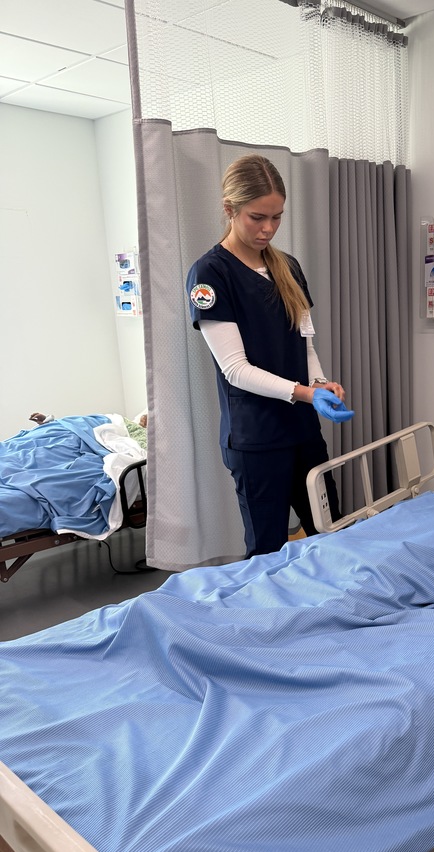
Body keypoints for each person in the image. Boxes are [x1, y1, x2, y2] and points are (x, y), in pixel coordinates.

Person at [186, 154, 354, 558]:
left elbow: (305, 341)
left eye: (277, 217)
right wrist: (305, 393)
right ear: (230, 210)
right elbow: (235, 370)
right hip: (256, 439)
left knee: (331, 534)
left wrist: (319, 384)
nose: (268, 229)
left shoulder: (288, 267)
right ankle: (268, 622)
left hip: (302, 431)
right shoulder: (210, 274)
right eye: (257, 217)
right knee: (267, 550)